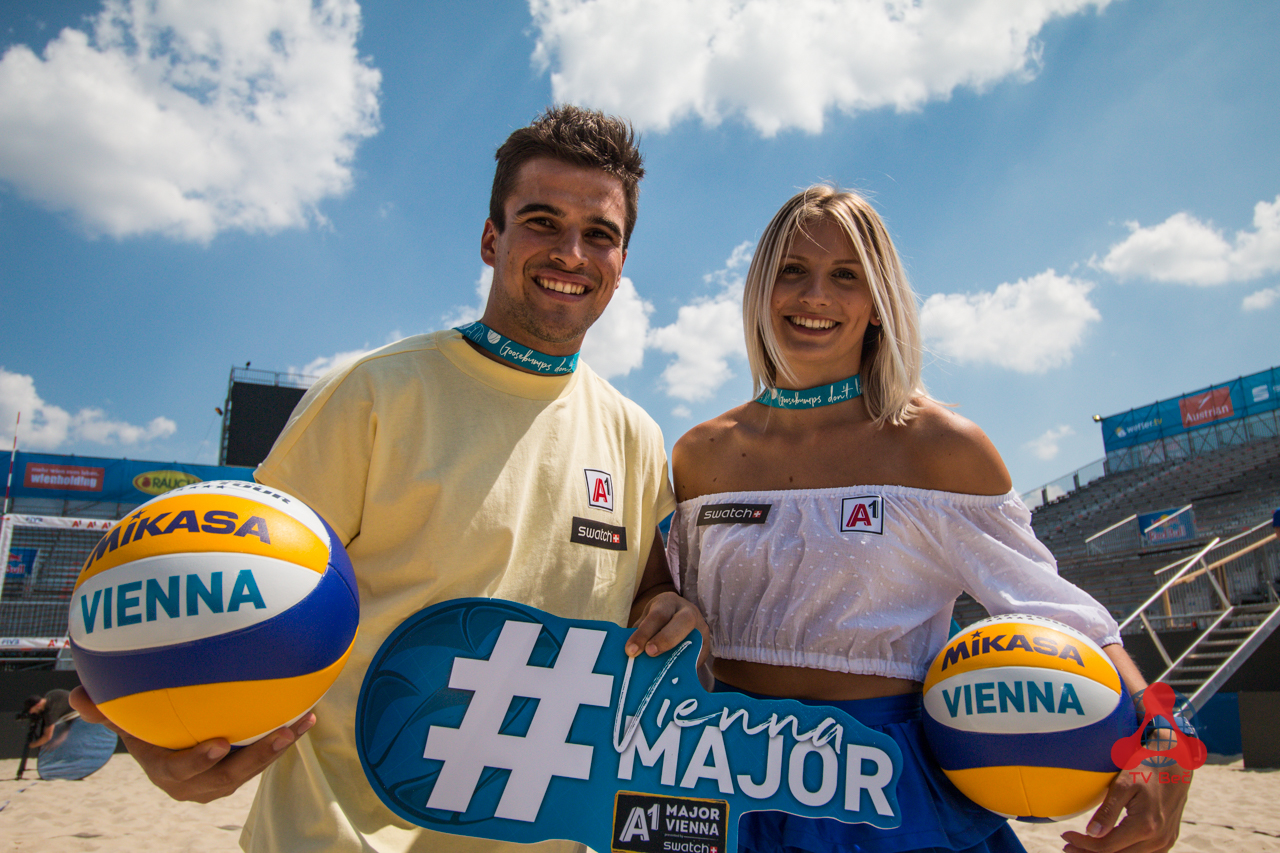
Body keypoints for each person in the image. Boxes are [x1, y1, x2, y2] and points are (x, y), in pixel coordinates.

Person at [72, 105, 707, 852]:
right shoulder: (372, 395)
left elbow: (644, 607)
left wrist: (672, 609)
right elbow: (226, 592)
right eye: (542, 221)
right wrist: (166, 732)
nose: (572, 251)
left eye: (599, 233)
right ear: (490, 239)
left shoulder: (636, 436)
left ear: (621, 263)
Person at [666, 185, 1192, 853]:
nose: (815, 296)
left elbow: (1065, 616)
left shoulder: (942, 446)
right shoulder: (698, 453)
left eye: (846, 275)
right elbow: (667, 618)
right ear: (759, 290)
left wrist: (1166, 740)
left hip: (890, 789)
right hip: (720, 775)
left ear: (879, 302)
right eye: (791, 270)